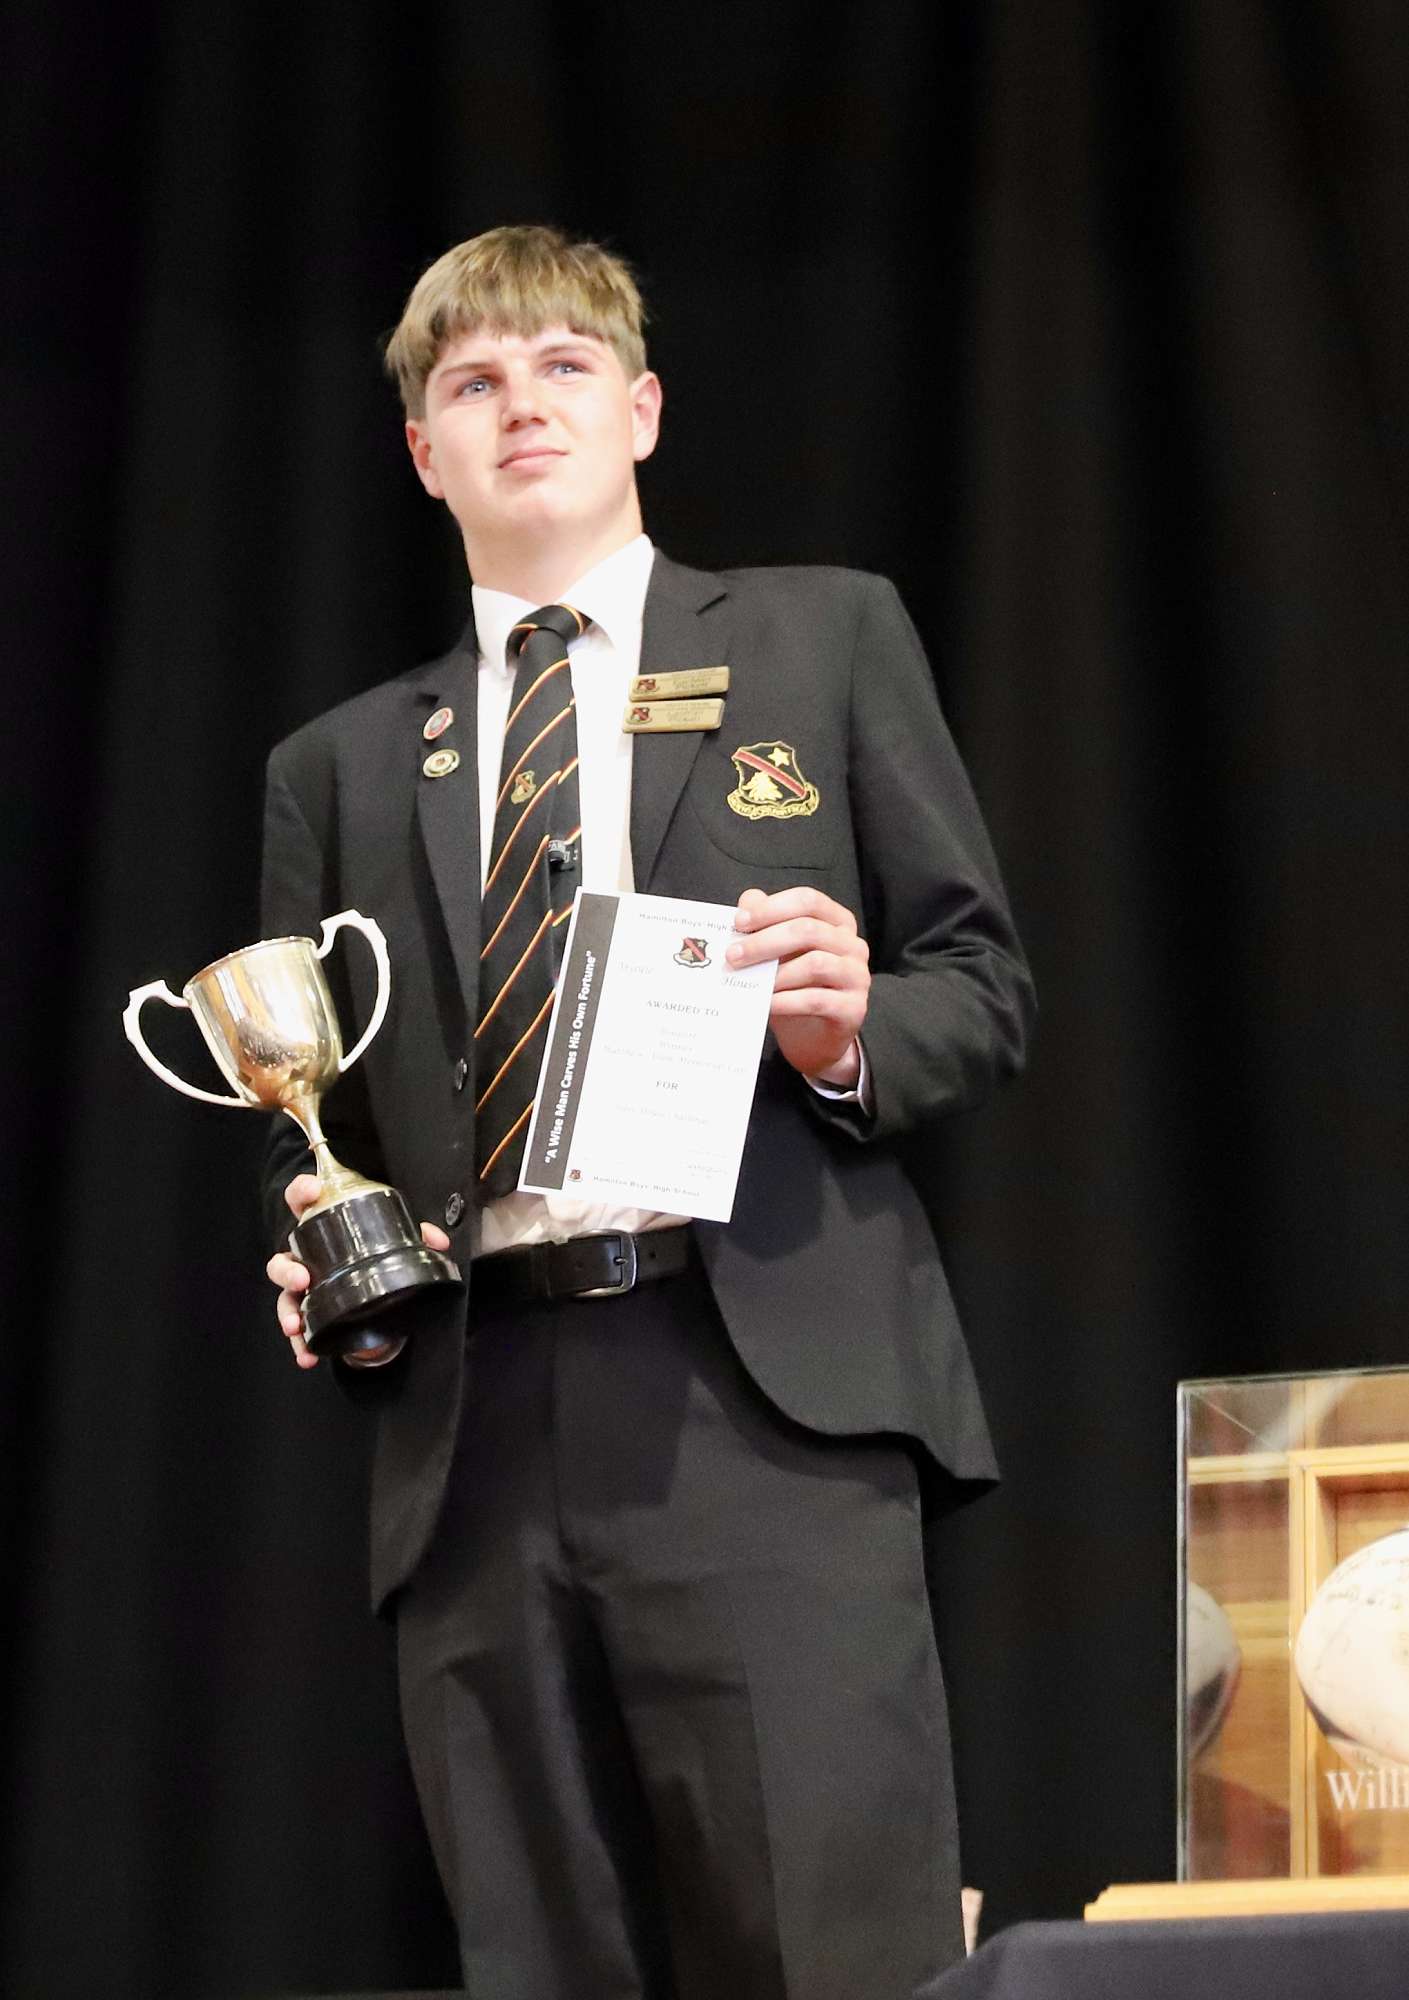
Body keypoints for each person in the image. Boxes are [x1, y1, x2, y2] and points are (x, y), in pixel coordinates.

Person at [261, 225, 1033, 2000]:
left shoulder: (821, 636)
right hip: (474, 1427)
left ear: (644, 411)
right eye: (474, 383)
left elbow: (979, 991)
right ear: (423, 452)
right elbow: (307, 1119)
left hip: (756, 1390)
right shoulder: (339, 766)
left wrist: (844, 1032)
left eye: (563, 367)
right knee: (540, 1957)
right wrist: (317, 1253)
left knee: (829, 1951)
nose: (520, 406)